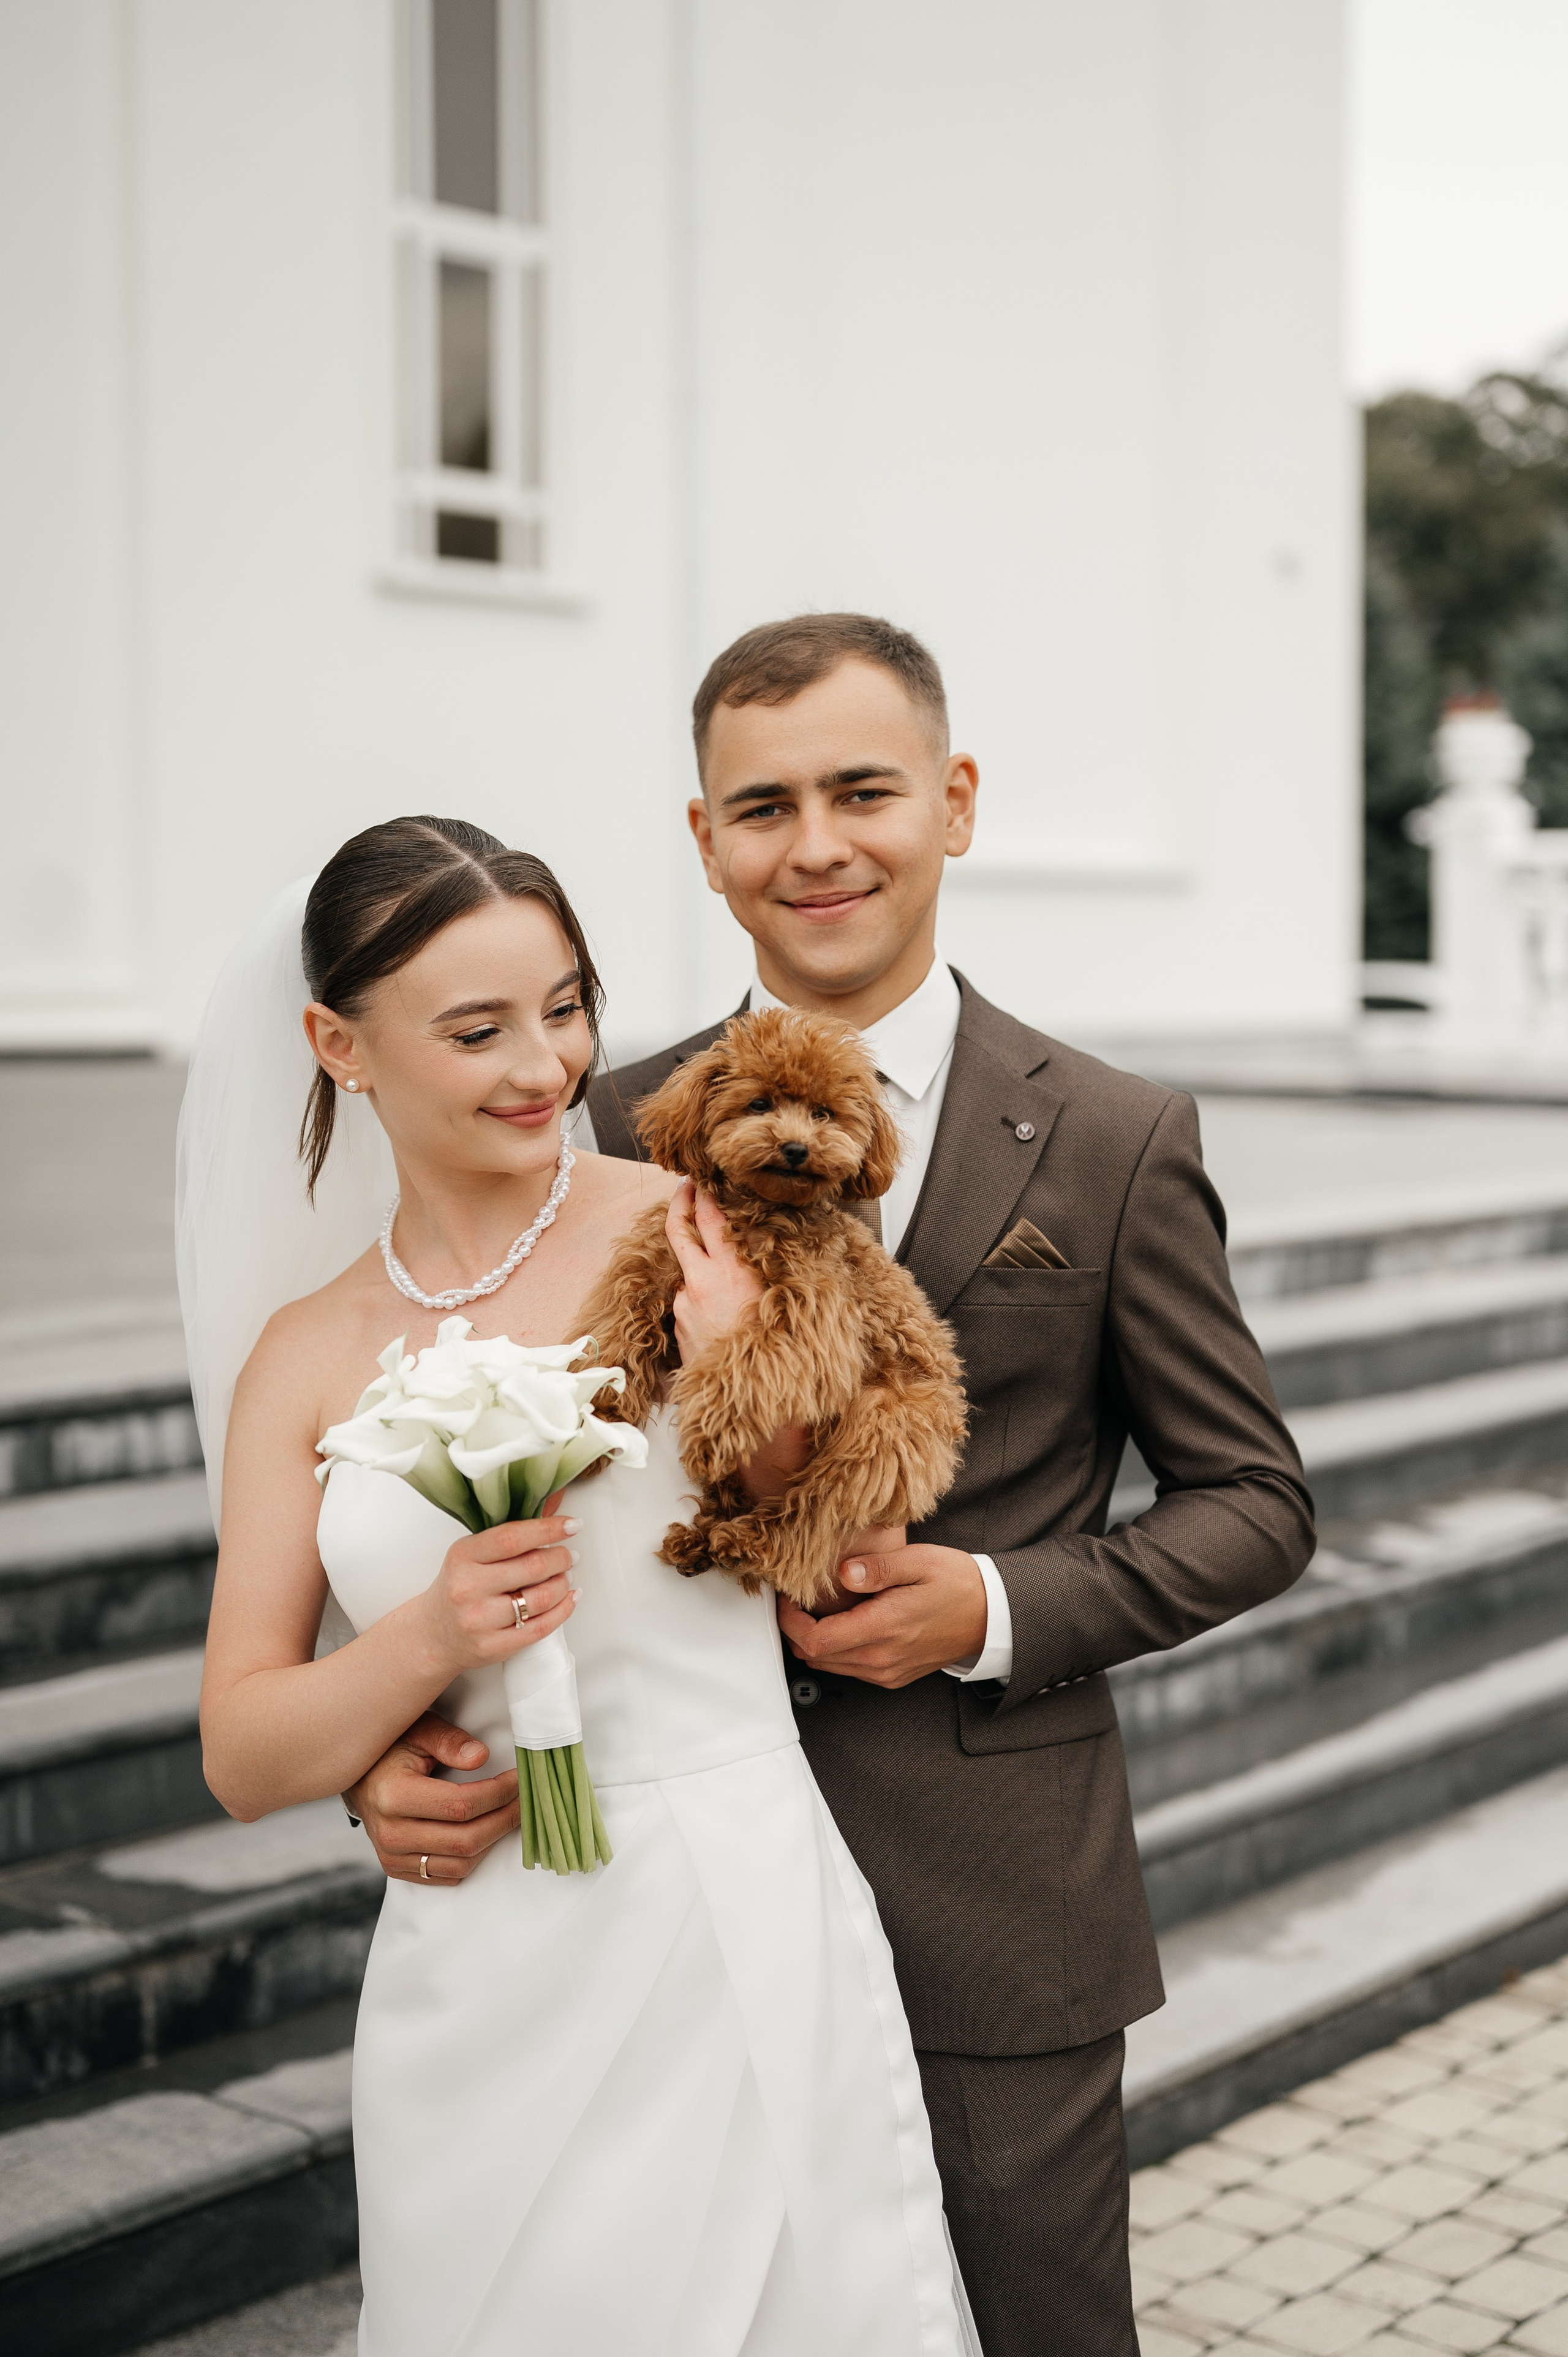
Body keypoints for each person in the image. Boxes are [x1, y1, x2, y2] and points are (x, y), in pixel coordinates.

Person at [347, 617, 1316, 2353]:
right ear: (703, 839)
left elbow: (1255, 1499)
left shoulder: (1113, 1135)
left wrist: (998, 1604)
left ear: (952, 803)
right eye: (763, 803)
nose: (816, 845)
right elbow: (469, 1455)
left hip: (991, 1887)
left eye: (864, 791)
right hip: (649, 1907)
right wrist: (388, 1756)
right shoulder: (600, 1124)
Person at [184, 816, 979, 2357]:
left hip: (727, 1904)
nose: (544, 1065)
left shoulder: (706, 1223)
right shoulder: (302, 1351)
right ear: (337, 1044)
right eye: (477, 1029)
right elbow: (241, 1748)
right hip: (476, 1953)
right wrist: (421, 1646)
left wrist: (758, 1367)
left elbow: (831, 1527)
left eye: (565, 1006)